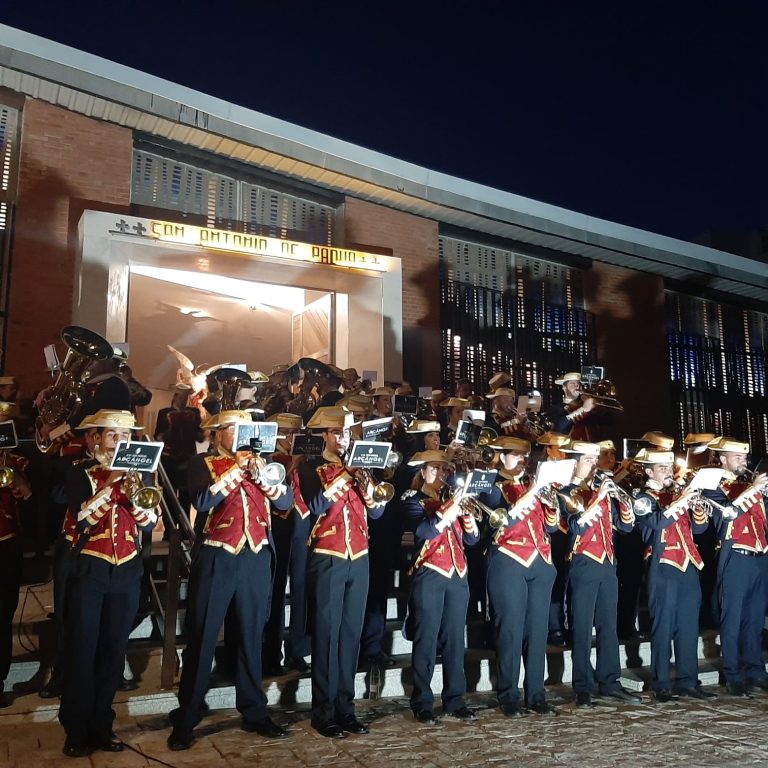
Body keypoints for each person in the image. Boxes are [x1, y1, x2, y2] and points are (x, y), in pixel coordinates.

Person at [167, 409, 293, 750]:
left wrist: (264, 478)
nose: (241, 435)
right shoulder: (202, 464)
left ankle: (254, 710)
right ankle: (187, 715)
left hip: (255, 556)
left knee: (251, 636)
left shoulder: (261, 463)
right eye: (235, 429)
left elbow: (286, 502)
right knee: (203, 635)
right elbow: (203, 499)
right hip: (217, 555)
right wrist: (236, 468)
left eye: (245, 429)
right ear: (217, 433)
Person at [58, 409, 156, 758]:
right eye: (113, 436)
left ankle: (102, 725)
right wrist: (112, 482)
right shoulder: (79, 473)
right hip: (90, 569)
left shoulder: (141, 472)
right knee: (83, 650)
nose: (121, 442)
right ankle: (76, 727)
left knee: (113, 653)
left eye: (126, 436)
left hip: (126, 570)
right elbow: (83, 517)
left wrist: (138, 499)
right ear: (95, 438)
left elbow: (149, 520)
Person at [298, 406, 388, 738]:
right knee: (326, 635)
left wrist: (368, 486)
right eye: (337, 433)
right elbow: (314, 507)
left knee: (351, 634)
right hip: (327, 555)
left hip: (359, 556)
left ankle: (345, 708)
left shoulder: (360, 467)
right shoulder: (310, 467)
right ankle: (323, 712)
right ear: (324, 435)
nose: (343, 439)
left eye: (347, 433)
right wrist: (346, 475)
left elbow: (376, 513)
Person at [477, 436, 560, 716]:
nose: (522, 460)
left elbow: (550, 527)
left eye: (525, 455)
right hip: (508, 560)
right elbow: (501, 518)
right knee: (510, 630)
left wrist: (551, 505)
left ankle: (536, 695)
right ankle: (508, 695)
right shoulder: (491, 484)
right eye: (515, 455)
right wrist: (534, 490)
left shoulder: (532, 485)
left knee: (538, 632)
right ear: (501, 457)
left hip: (540, 561)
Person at [560, 439, 641, 708]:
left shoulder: (601, 489)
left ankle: (610, 681)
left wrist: (623, 503)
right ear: (574, 462)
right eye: (587, 460)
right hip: (583, 562)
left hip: (608, 563)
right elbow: (576, 527)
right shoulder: (566, 491)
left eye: (595, 460)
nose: (594, 465)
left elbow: (625, 528)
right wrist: (599, 498)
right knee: (582, 627)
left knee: (609, 626)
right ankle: (583, 686)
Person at [400, 450, 479, 724]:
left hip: (458, 573)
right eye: (434, 468)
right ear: (422, 471)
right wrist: (451, 508)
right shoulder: (413, 500)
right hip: (430, 573)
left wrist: (469, 521)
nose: (440, 474)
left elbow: (471, 540)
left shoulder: (450, 499)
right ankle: (422, 702)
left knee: (456, 640)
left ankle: (455, 699)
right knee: (427, 639)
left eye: (444, 470)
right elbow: (424, 532)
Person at [633, 448, 716, 702]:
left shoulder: (676, 493)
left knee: (689, 627)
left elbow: (700, 529)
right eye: (662, 468)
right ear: (648, 471)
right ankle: (661, 683)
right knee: (663, 627)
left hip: (688, 565)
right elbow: (656, 524)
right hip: (663, 566)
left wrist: (698, 507)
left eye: (669, 468)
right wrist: (681, 502)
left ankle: (688, 680)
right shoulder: (643, 497)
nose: (668, 472)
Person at [702, 437, 768, 697]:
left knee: (754, 619)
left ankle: (755, 671)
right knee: (733, 618)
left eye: (744, 457)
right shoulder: (714, 485)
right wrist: (753, 490)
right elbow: (727, 514)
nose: (743, 461)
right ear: (723, 459)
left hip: (760, 557)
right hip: (735, 558)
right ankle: (733, 674)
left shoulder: (749, 485)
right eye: (737, 457)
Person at [262, 412, 311, 676]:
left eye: (294, 433)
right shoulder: (267, 458)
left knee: (302, 590)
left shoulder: (306, 459)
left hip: (303, 525)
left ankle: (298, 650)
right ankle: (271, 652)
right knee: (276, 590)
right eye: (285, 433)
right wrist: (293, 464)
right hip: (278, 526)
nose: (290, 438)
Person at [0, 402, 32, 708]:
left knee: (3, 616)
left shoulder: (19, 461)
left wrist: (15, 475)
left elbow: (29, 500)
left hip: (6, 544)